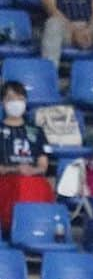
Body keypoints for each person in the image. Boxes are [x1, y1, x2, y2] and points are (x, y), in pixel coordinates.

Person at [0, 81, 52, 235]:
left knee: (41, 185)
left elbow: (43, 165)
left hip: (33, 179)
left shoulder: (36, 131)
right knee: (20, 185)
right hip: (6, 180)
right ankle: (16, 227)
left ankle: (38, 229)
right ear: (3, 102)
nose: (16, 102)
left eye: (20, 98)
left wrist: (32, 170)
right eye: (11, 98)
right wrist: (15, 169)